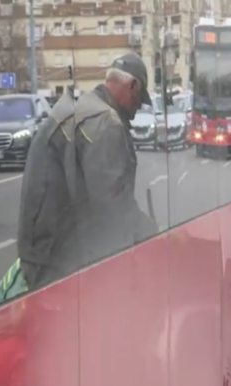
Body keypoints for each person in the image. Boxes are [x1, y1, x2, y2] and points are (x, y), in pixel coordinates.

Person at [16, 52, 157, 290]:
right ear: (131, 85)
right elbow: (111, 207)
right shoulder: (105, 122)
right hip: (59, 262)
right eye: (139, 100)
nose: (136, 111)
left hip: (43, 252)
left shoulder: (83, 108)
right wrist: (151, 235)